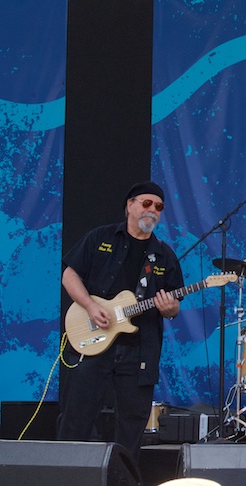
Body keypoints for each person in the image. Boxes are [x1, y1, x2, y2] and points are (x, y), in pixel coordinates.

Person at [58, 181, 184, 462]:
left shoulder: (164, 254)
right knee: (76, 418)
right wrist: (90, 306)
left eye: (159, 207)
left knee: (131, 426)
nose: (153, 210)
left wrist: (168, 308)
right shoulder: (100, 238)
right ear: (130, 205)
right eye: (146, 203)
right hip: (92, 343)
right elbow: (69, 275)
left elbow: (174, 306)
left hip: (140, 350)